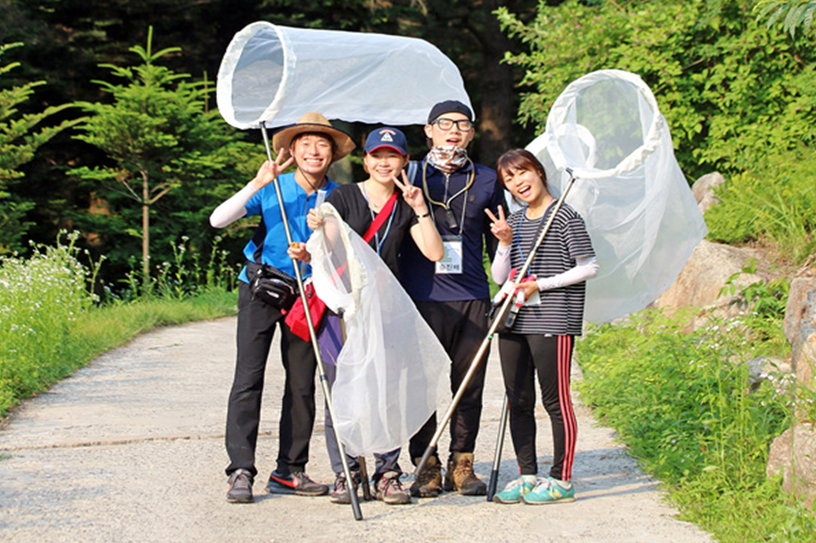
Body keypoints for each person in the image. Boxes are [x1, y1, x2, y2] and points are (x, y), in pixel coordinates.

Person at [209, 112, 355, 504]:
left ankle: (290, 470)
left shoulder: (339, 196)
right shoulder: (273, 185)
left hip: (309, 294)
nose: (313, 151)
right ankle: (240, 470)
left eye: (322, 144)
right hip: (260, 288)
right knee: (249, 377)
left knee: (302, 382)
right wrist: (258, 182)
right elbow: (218, 219)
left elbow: (347, 253)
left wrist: (313, 253)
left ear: (332, 153)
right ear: (291, 150)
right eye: (305, 143)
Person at [304, 126, 444, 505]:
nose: (384, 162)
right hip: (345, 310)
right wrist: (319, 226)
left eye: (393, 155)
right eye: (377, 155)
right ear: (365, 160)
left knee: (386, 391)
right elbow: (332, 244)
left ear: (404, 161)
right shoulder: (344, 195)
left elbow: (434, 253)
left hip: (387, 311)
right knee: (342, 387)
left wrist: (419, 208)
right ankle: (347, 471)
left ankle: (387, 472)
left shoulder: (405, 202)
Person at [399, 100, 505, 497]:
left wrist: (507, 289)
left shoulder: (487, 179)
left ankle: (463, 463)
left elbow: (500, 240)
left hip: (472, 295)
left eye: (462, 124)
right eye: (445, 124)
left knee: (470, 384)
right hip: (419, 296)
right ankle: (425, 463)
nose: (453, 131)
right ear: (428, 130)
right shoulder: (408, 174)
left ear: (472, 133)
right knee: (419, 385)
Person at [485, 148, 598, 504]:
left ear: (538, 172)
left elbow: (589, 266)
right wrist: (503, 244)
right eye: (509, 178)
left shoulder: (564, 216)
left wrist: (542, 284)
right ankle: (526, 474)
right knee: (518, 399)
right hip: (515, 320)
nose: (519, 182)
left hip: (554, 318)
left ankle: (561, 479)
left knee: (555, 400)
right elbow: (500, 276)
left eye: (523, 172)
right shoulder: (515, 222)